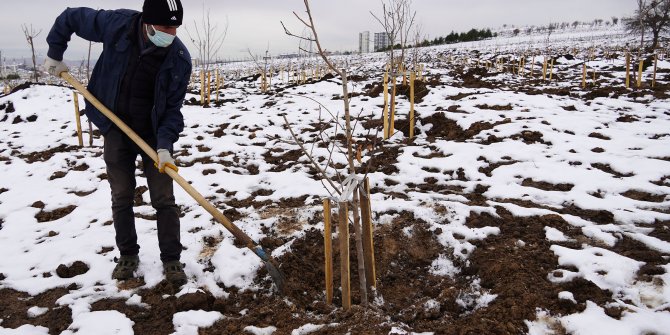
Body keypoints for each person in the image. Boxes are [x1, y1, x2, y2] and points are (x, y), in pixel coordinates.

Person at [44, 0, 192, 286]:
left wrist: (164, 146)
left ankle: (172, 259)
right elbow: (70, 18)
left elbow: (172, 110)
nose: (171, 33)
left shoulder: (178, 59)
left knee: (164, 198)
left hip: (152, 132)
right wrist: (54, 53)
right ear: (147, 22)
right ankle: (128, 254)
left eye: (175, 27)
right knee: (122, 194)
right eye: (165, 27)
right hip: (115, 125)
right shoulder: (118, 26)